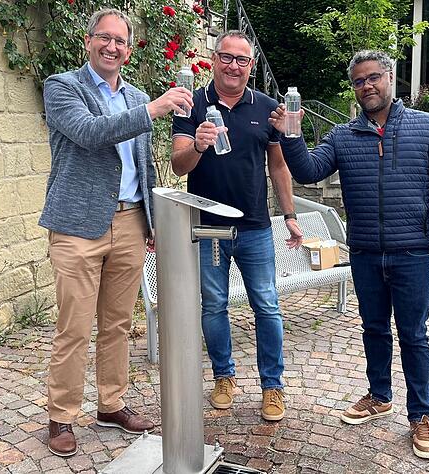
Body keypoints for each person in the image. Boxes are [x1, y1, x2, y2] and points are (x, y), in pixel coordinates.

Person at [269, 50, 429, 459]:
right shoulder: (343, 135)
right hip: (364, 253)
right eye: (359, 81)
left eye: (374, 77)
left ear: (390, 78)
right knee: (373, 329)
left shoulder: (426, 128)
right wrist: (292, 135)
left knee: (413, 335)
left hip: (411, 252)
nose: (367, 86)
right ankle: (379, 395)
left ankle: (420, 414)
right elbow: (307, 171)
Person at [39, 8, 194, 457]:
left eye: (120, 41)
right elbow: (89, 133)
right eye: (104, 38)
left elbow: (143, 163)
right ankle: (61, 417)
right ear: (88, 42)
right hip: (77, 225)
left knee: (119, 325)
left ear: (128, 50)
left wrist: (149, 220)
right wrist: (155, 108)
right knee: (74, 327)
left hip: (129, 221)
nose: (112, 47)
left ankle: (110, 404)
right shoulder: (62, 86)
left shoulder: (135, 95)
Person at [171, 30, 303, 422]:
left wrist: (291, 216)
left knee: (267, 305)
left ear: (252, 66)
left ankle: (272, 386)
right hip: (208, 228)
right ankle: (223, 376)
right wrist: (197, 144)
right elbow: (178, 164)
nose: (233, 66)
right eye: (226, 57)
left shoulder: (266, 107)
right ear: (214, 60)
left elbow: (278, 166)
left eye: (241, 60)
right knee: (213, 305)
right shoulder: (191, 103)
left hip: (255, 228)